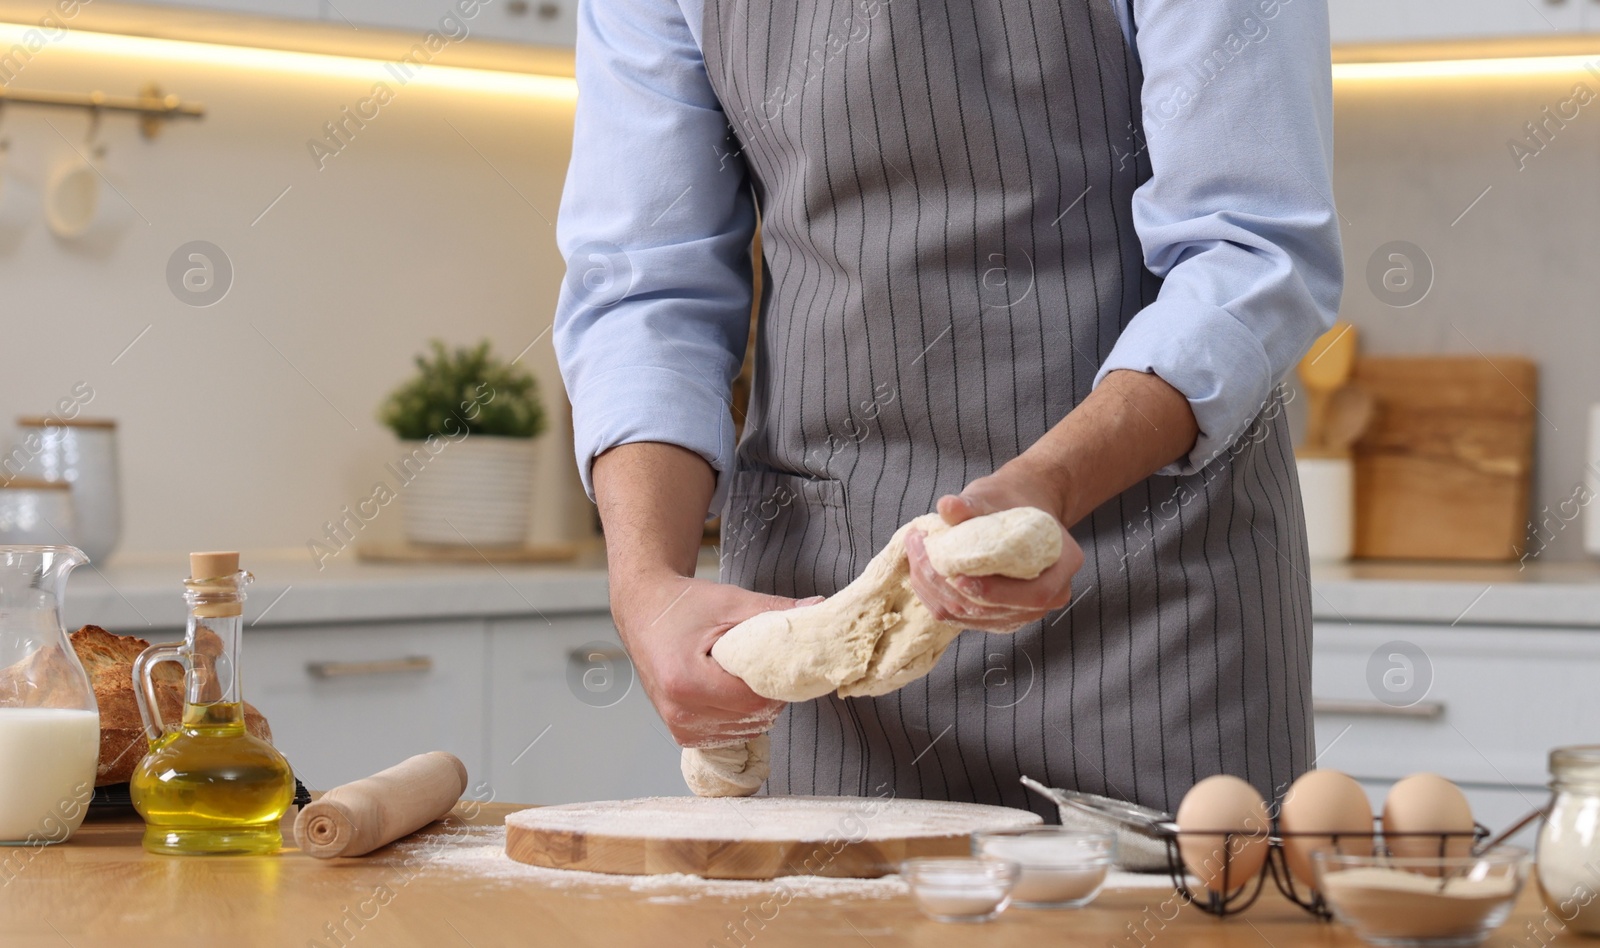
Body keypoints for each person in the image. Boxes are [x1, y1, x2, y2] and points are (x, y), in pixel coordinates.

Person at [553, 0, 1342, 816]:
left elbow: (1249, 248)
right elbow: (643, 284)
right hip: (829, 614)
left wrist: (1049, 486)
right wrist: (645, 581)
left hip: (1157, 609)